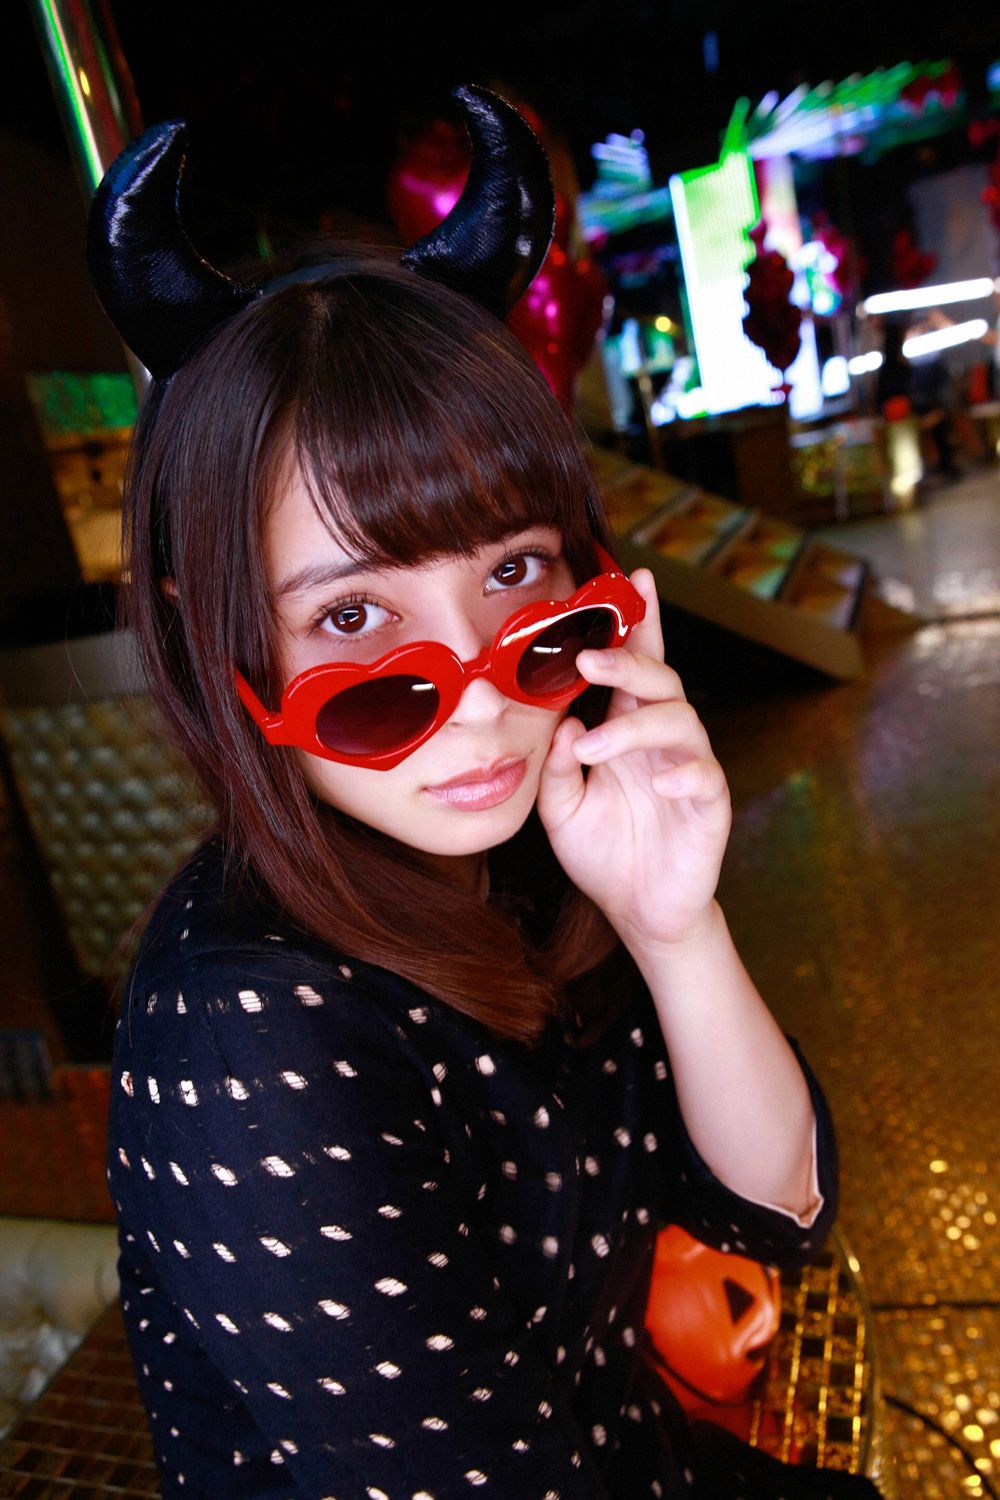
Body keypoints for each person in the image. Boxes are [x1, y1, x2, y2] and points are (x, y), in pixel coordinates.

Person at [90, 88, 880, 1499]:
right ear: (220, 643)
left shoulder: (531, 852)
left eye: (515, 575)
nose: (477, 698)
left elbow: (777, 1215)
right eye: (352, 621)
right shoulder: (248, 1035)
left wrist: (675, 927)